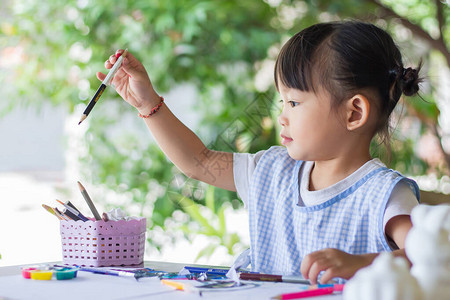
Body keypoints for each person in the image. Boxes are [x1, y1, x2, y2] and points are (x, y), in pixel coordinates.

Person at [97, 21, 422, 284]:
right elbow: (199, 163)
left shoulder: (384, 195)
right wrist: (147, 103)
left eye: (294, 102)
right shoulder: (272, 171)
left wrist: (363, 263)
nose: (282, 114)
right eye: (282, 101)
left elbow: (426, 255)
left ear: (353, 113)